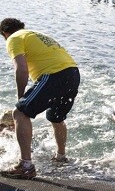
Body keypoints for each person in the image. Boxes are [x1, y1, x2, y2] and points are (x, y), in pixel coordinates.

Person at [0, 18, 80, 179]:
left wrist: (20, 98)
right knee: (56, 118)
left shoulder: (13, 38)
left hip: (55, 74)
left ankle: (26, 166)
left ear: (4, 33)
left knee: (20, 113)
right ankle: (61, 156)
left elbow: (21, 69)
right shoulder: (35, 34)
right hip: (73, 73)